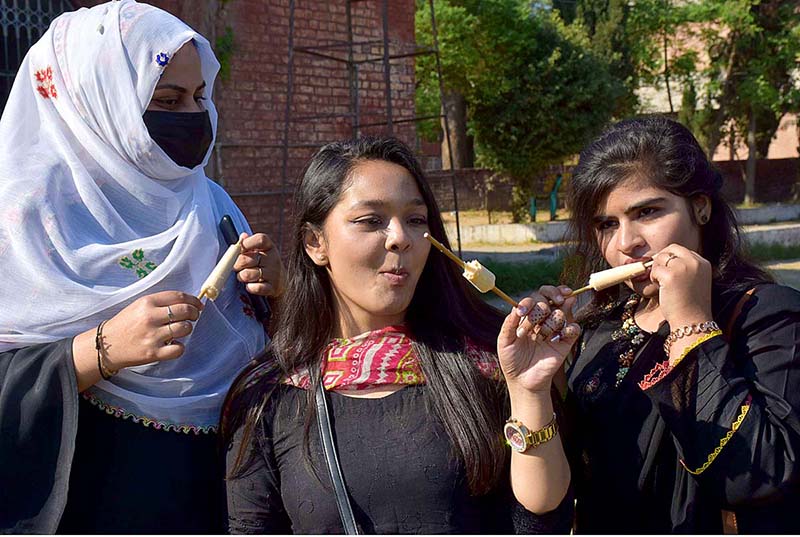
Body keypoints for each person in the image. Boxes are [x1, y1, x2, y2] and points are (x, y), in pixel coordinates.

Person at [0, 1, 284, 533]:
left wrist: (280, 291)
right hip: (92, 495)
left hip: (228, 489)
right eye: (167, 99)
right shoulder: (22, 219)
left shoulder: (209, 201)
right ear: (98, 101)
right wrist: (100, 349)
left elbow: (264, 336)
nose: (193, 117)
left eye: (200, 97)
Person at [221, 136, 576, 534]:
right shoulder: (270, 393)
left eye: (416, 220)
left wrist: (529, 394)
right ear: (314, 243)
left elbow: (542, 519)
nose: (400, 237)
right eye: (371, 221)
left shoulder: (487, 364)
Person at [537, 116, 800, 532]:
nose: (626, 244)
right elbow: (559, 485)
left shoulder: (766, 316)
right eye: (607, 224)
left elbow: (759, 476)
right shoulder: (601, 325)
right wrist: (538, 385)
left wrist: (691, 322)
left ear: (700, 206)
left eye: (648, 212)